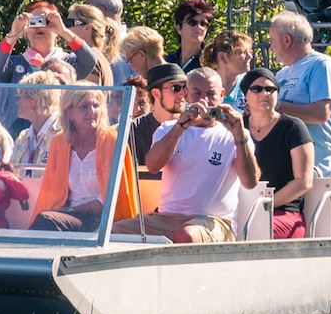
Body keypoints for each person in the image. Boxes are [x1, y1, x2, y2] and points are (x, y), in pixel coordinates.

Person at [113, 68, 258, 244]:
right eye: (197, 93)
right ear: (186, 95)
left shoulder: (235, 134)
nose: (204, 100)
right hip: (167, 218)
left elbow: (250, 182)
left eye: (211, 94)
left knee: (186, 235)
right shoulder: (168, 128)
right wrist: (180, 127)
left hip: (214, 222)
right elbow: (153, 166)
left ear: (222, 95)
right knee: (112, 233)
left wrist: (239, 137)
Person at [30, 89, 137, 232]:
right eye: (84, 106)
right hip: (66, 215)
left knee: (47, 221)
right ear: (69, 112)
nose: (91, 111)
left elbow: (111, 200)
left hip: (102, 218)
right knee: (45, 221)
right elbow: (50, 191)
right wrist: (65, 211)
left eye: (96, 105)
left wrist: (70, 210)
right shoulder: (59, 142)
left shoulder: (112, 141)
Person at [239, 68, 315, 238]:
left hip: (284, 212)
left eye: (270, 89)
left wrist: (265, 205)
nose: (264, 93)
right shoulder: (237, 127)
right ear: (245, 96)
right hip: (241, 209)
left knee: (253, 229)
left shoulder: (293, 127)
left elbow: (304, 182)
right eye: (256, 89)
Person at [270, 10, 331, 178]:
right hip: (290, 172)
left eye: (272, 41)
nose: (271, 47)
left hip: (320, 172)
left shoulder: (321, 65)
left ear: (286, 40)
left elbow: (321, 114)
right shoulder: (280, 75)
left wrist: (276, 106)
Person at [0, 1, 102, 85]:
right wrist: (12, 36)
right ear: (26, 29)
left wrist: (64, 31)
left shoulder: (68, 63)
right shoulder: (15, 64)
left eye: (46, 22)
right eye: (34, 22)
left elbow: (89, 61)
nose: (40, 26)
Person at [130, 61, 188, 167]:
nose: (182, 94)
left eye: (185, 88)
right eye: (176, 88)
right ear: (156, 93)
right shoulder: (134, 130)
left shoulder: (194, 127)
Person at [7, 71, 64, 169]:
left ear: (32, 102)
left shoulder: (64, 133)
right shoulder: (23, 137)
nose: (16, 102)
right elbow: (11, 174)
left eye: (19, 97)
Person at [67, 4, 126, 87]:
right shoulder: (98, 55)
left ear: (87, 28)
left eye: (70, 23)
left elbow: (88, 97)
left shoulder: (90, 58)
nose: (66, 29)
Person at [167, 0, 215, 73]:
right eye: (192, 22)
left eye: (203, 24)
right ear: (179, 28)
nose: (199, 27)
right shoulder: (168, 62)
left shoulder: (211, 62)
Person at [203, 30, 253, 100]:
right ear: (223, 57)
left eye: (250, 52)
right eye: (242, 52)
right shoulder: (201, 86)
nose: (250, 56)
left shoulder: (251, 85)